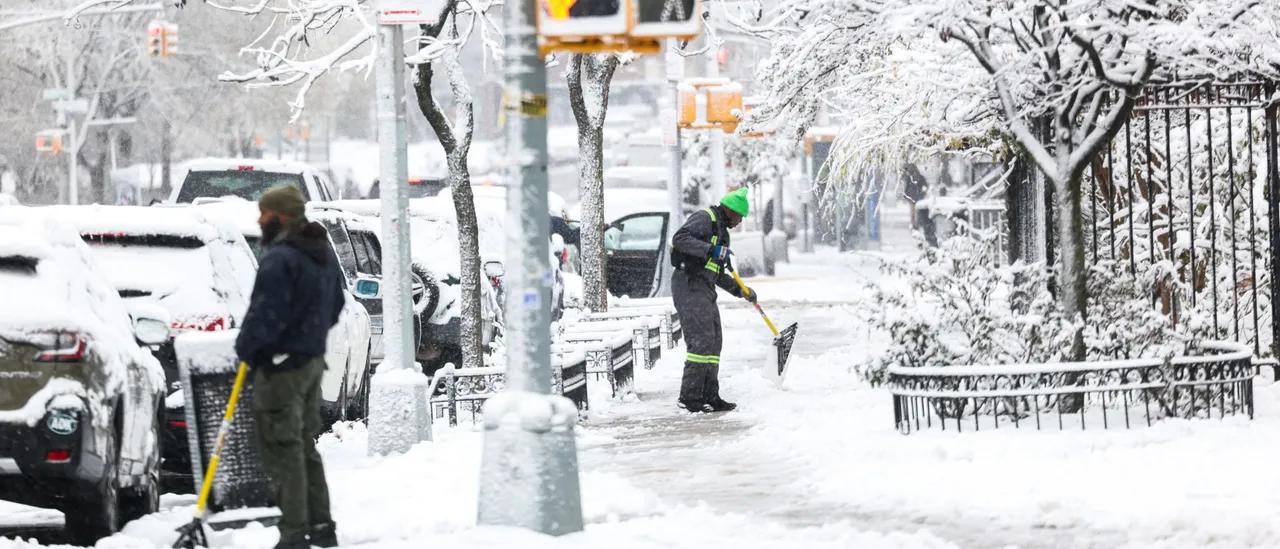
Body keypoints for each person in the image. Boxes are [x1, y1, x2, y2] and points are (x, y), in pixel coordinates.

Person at [235, 185, 345, 549]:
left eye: (263, 212)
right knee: (303, 445)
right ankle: (321, 526)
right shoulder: (320, 251)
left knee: (283, 448)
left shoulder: (281, 258)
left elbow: (265, 314)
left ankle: (295, 533)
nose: (258, 218)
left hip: (282, 369)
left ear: (280, 215)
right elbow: (336, 304)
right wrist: (309, 339)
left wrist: (251, 349)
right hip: (312, 362)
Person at [668, 187, 757, 413]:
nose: (740, 221)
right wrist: (711, 250)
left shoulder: (722, 232)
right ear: (729, 210)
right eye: (739, 216)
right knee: (701, 340)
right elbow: (679, 239)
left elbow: (717, 273)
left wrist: (741, 290)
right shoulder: (704, 219)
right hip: (689, 284)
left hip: (705, 288)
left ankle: (710, 396)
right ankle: (689, 397)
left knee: (714, 340)